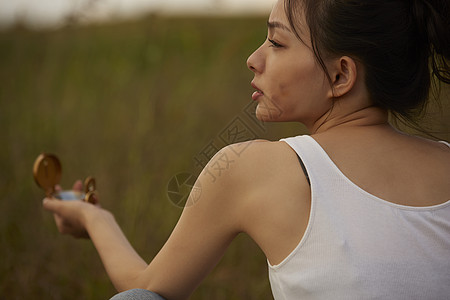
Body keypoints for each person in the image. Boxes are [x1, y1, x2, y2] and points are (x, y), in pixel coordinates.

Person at [43, 0, 450, 299]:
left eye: (276, 42)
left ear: (341, 74)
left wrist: (94, 219)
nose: (253, 59)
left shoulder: (255, 167)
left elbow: (145, 287)